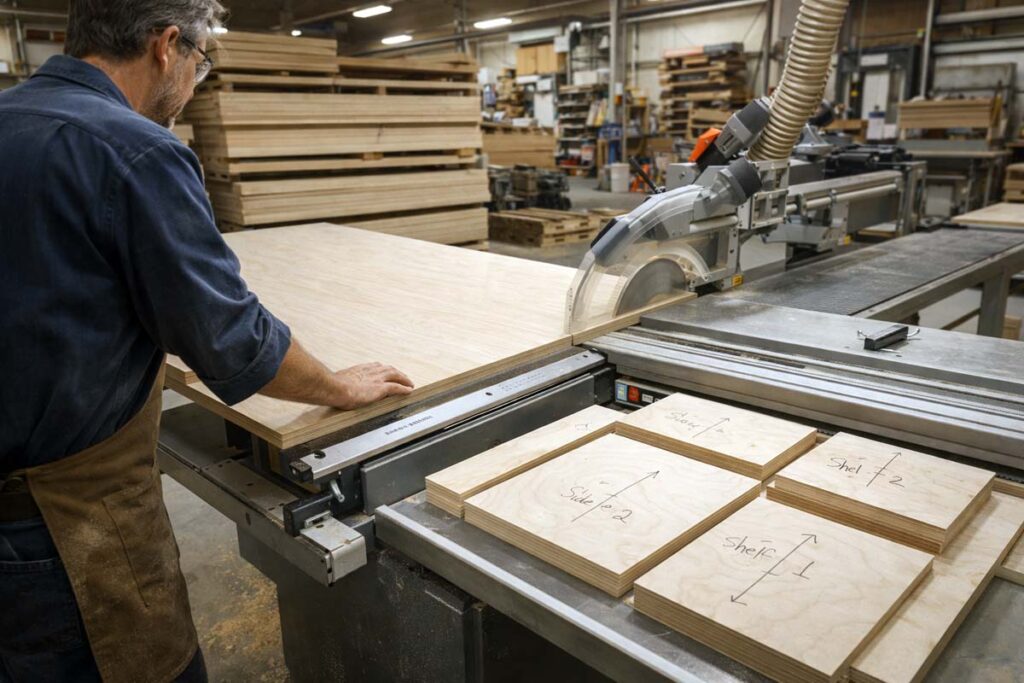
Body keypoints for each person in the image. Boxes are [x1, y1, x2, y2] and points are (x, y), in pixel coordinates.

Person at [0, 1, 414, 681]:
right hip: (66, 533)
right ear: (166, 46)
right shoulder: (136, 152)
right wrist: (338, 385)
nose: (196, 82)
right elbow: (229, 338)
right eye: (201, 61)